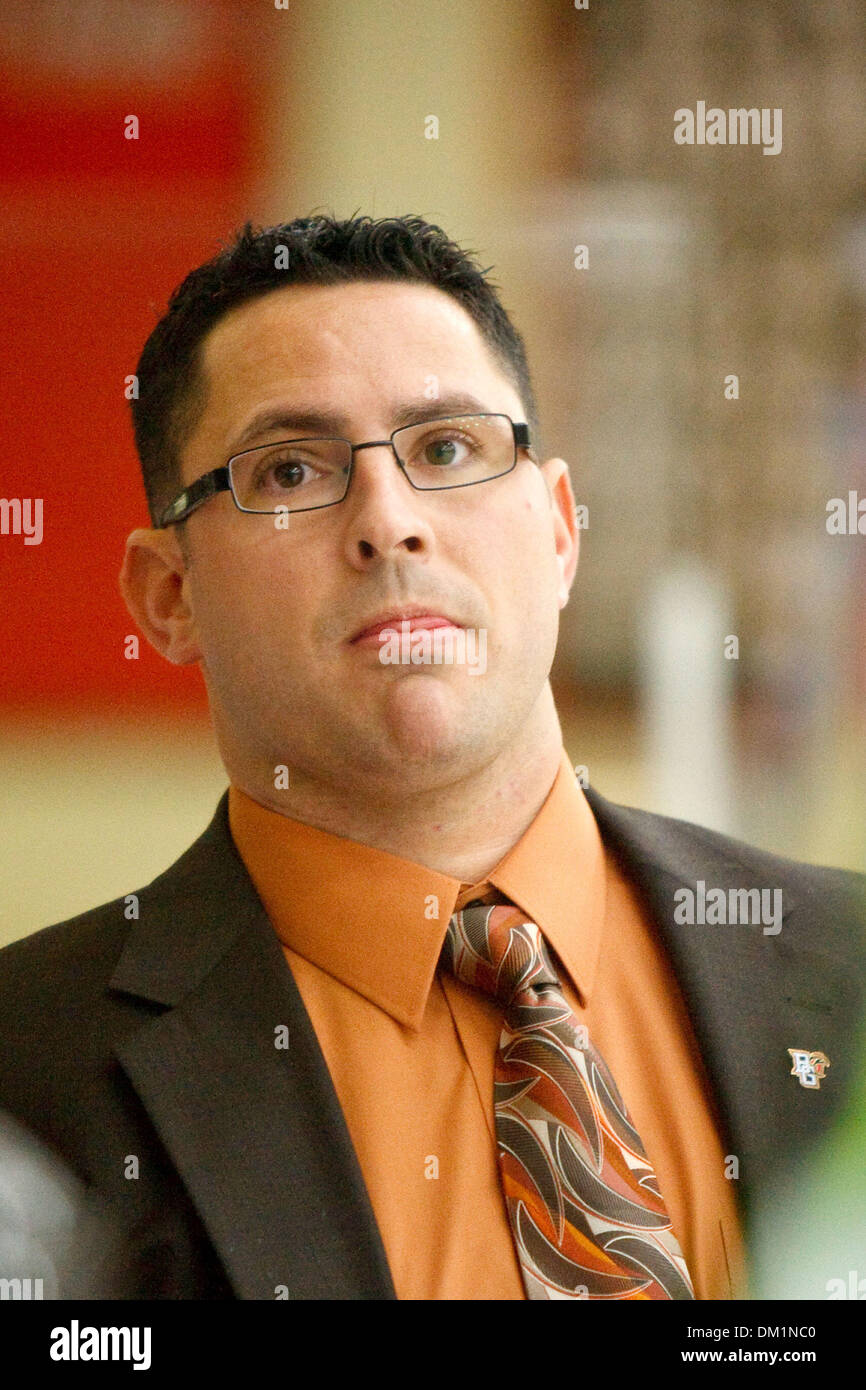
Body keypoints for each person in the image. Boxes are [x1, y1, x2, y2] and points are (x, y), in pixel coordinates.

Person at [0, 215, 862, 1301]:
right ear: (169, 596)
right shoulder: (26, 1076)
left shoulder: (845, 964)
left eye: (446, 448)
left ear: (559, 531)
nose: (390, 522)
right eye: (289, 471)